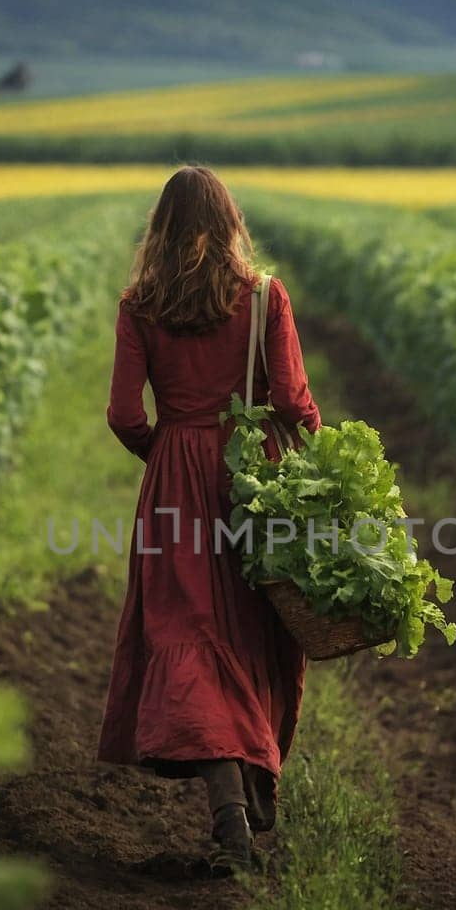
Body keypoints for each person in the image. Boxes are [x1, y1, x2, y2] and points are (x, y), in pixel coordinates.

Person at [98, 165, 323, 872]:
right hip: (255, 480)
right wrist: (321, 476)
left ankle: (235, 802)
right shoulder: (263, 298)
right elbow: (291, 400)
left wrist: (165, 451)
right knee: (255, 633)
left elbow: (124, 414)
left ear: (159, 228)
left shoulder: (141, 303)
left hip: (175, 482)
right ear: (229, 223)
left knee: (185, 628)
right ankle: (245, 796)